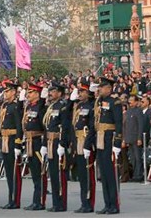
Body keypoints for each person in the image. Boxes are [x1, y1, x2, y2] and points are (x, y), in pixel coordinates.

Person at [84, 77, 122, 215]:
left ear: (109, 88)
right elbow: (94, 124)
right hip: (99, 138)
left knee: (111, 173)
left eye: (102, 87)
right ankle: (107, 204)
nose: (99, 89)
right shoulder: (98, 102)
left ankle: (114, 205)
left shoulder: (115, 102)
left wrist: (117, 142)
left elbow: (118, 123)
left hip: (109, 139)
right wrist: (88, 144)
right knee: (104, 174)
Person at [43, 82, 71, 212]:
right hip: (49, 141)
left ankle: (61, 203)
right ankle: (55, 202)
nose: (50, 93)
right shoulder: (51, 106)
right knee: (53, 174)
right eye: (50, 91)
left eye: (53, 91)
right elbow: (46, 126)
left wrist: (62, 144)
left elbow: (65, 127)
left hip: (57, 141)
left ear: (59, 93)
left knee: (60, 174)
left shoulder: (63, 106)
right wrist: (44, 144)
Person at [70, 82, 95, 213]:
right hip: (77, 142)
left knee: (88, 175)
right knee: (81, 175)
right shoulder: (78, 106)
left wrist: (88, 145)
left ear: (88, 93)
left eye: (82, 91)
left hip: (86, 142)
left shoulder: (91, 107)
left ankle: (89, 202)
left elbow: (92, 127)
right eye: (78, 92)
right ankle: (83, 202)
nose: (80, 94)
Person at [0, 80, 23, 210]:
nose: (5, 93)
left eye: (7, 91)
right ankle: (10, 199)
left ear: (13, 92)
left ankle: (15, 200)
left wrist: (18, 144)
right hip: (5, 140)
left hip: (13, 140)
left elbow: (19, 126)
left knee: (14, 172)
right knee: (8, 172)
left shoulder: (15, 106)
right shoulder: (5, 106)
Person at [22, 83, 46, 211]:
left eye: (31, 92)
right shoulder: (29, 107)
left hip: (37, 142)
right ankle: (35, 201)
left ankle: (40, 201)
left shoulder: (40, 107)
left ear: (37, 94)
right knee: (34, 174)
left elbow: (45, 126)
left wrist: (44, 144)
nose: (28, 94)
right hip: (29, 142)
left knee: (39, 173)